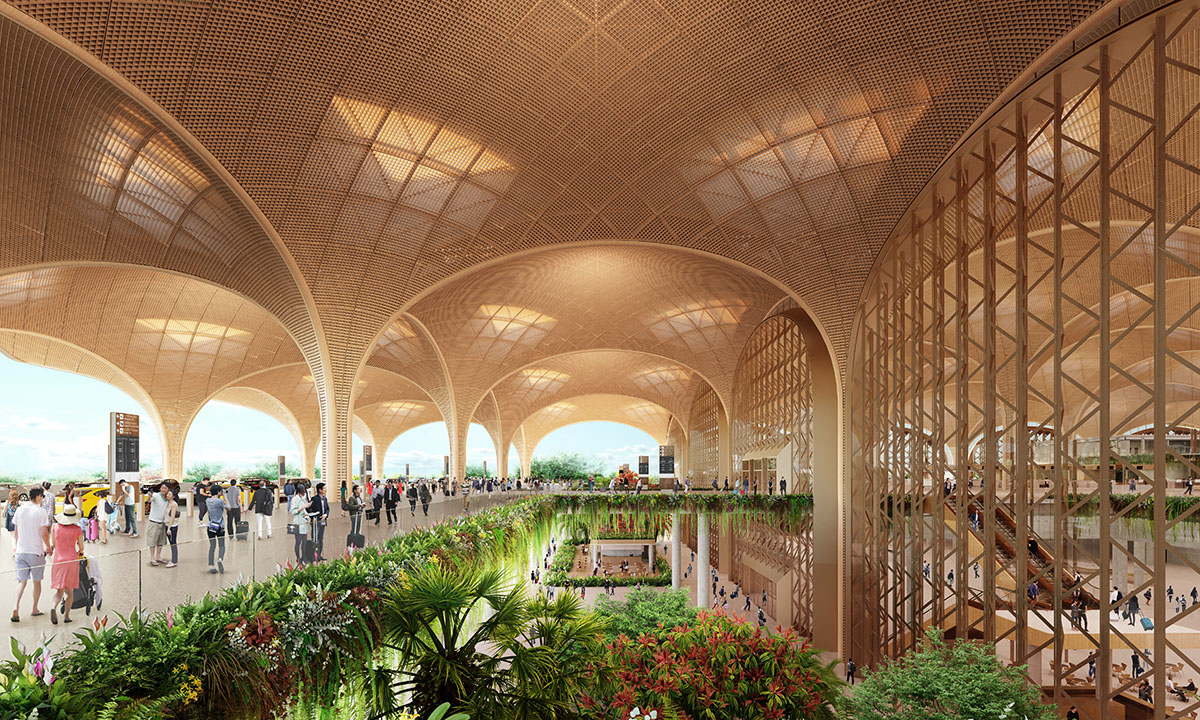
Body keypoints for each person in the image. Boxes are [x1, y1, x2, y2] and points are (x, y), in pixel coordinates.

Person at [11, 486, 50, 622]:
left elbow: (16, 531)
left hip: (21, 552)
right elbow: (44, 533)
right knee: (37, 582)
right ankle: (34, 609)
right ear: (38, 496)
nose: (43, 499)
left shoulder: (20, 509)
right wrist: (49, 547)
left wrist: (16, 546)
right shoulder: (41, 512)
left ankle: (15, 606)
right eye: (43, 496)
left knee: (21, 582)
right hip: (35, 552)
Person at [47, 504, 84, 625]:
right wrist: (80, 553)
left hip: (58, 561)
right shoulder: (77, 529)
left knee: (59, 591)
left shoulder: (55, 527)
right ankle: (67, 616)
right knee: (70, 592)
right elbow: (81, 548)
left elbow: (54, 544)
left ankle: (53, 607)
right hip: (71, 561)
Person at [205, 486, 228, 574]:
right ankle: (220, 559)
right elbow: (229, 507)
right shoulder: (220, 501)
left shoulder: (207, 501)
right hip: (220, 526)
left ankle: (211, 566)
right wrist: (225, 497)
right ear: (218, 492)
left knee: (212, 546)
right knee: (221, 545)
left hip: (211, 526)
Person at [145, 484, 170, 566]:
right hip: (154, 522)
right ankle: (152, 558)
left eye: (165, 488)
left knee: (160, 541)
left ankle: (158, 556)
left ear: (168, 489)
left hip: (162, 522)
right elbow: (149, 500)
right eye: (162, 488)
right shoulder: (156, 496)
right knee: (152, 541)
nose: (163, 490)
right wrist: (149, 497)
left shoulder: (168, 498)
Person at [307, 483, 330, 561]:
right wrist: (313, 517)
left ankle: (319, 555)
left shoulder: (325, 498)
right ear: (320, 490)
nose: (325, 490)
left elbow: (327, 509)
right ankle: (313, 556)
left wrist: (326, 515)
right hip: (316, 522)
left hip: (323, 521)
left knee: (321, 539)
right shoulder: (314, 499)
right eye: (324, 488)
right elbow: (309, 508)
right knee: (315, 539)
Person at [289, 485, 310, 564]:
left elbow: (304, 511)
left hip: (303, 523)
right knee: (298, 542)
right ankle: (298, 558)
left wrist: (307, 516)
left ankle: (304, 557)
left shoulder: (301, 499)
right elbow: (293, 512)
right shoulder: (295, 499)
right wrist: (304, 507)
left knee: (304, 542)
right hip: (297, 523)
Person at [163, 485, 179, 568]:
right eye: (167, 494)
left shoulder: (174, 504)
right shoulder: (168, 502)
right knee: (171, 542)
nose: (167, 495)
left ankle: (174, 561)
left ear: (173, 496)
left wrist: (169, 528)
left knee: (173, 543)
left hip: (172, 526)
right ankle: (173, 559)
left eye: (169, 494)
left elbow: (172, 517)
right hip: (167, 525)